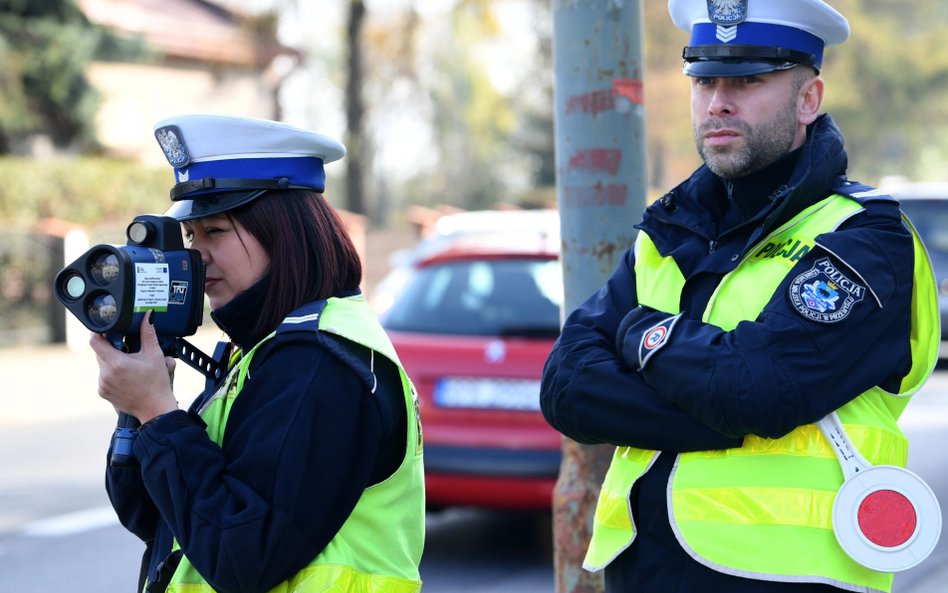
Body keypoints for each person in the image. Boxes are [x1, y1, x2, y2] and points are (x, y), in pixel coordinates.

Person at [540, 1, 939, 592]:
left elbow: (755, 388)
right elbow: (566, 388)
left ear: (809, 100)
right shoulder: (667, 233)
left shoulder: (864, 237)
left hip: (786, 575)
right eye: (704, 80)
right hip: (641, 570)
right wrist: (714, 414)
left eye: (749, 80)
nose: (717, 102)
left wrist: (635, 334)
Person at [89, 114, 425, 593]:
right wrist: (137, 411)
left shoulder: (319, 364)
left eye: (216, 231)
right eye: (191, 237)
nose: (195, 256)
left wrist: (158, 413)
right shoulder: (263, 350)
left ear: (284, 231)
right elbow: (156, 519)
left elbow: (241, 558)